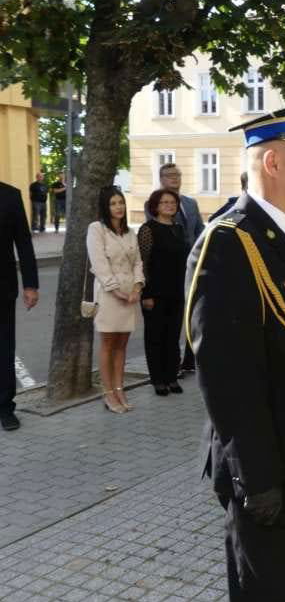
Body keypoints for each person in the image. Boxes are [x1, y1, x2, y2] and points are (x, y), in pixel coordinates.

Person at [186, 100, 285, 602]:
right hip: (266, 462)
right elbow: (226, 376)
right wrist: (256, 477)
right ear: (273, 163)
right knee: (264, 591)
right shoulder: (229, 242)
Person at [86, 187, 145, 414]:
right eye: (113, 203)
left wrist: (137, 286)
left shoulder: (130, 232)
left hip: (130, 293)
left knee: (122, 345)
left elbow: (138, 262)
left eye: (121, 202)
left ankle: (120, 390)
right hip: (109, 294)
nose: (118, 207)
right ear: (105, 206)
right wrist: (116, 291)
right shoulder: (96, 229)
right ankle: (108, 392)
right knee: (108, 343)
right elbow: (99, 263)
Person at [147, 162, 204, 375]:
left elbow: (199, 230)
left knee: (193, 312)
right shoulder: (155, 203)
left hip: (193, 264)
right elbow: (158, 232)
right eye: (170, 175)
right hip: (170, 268)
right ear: (161, 179)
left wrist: (199, 255)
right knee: (171, 319)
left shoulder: (190, 203)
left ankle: (190, 360)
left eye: (177, 174)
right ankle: (172, 364)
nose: (175, 178)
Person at [138, 189, 188, 396]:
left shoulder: (178, 229)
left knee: (173, 337)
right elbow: (143, 263)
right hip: (155, 293)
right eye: (164, 202)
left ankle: (171, 377)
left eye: (173, 202)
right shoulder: (148, 229)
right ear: (155, 206)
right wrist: (146, 294)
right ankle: (158, 380)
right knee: (155, 337)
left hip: (176, 292)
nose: (170, 205)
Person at [0, 182, 39, 431]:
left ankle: (5, 408)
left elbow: (23, 242)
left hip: (2, 287)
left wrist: (30, 285)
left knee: (4, 349)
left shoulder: (10, 196)